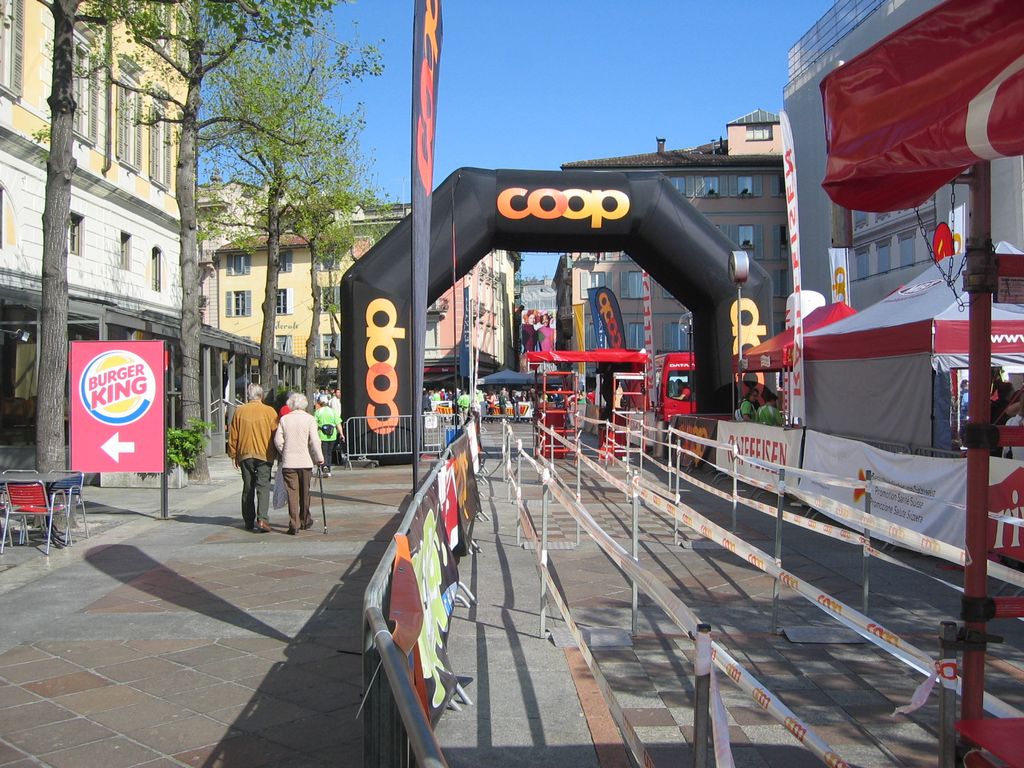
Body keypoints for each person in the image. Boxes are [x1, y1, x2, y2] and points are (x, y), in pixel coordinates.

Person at [227, 383, 278, 533]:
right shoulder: (270, 412)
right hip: (264, 454)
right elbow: (276, 434)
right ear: (261, 396)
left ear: (248, 396)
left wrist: (233, 454)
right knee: (263, 486)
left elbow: (233, 435)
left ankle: (248, 520)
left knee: (248, 487)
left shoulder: (239, 411)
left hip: (245, 453)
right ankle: (262, 519)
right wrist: (277, 453)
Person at [273, 393, 324, 535]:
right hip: (305, 461)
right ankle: (304, 520)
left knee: (292, 493)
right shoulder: (310, 419)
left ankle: (294, 524)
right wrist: (319, 457)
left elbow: (278, 440)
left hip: (289, 462)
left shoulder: (284, 419)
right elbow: (315, 441)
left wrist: (284, 450)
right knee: (305, 492)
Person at [314, 395, 342, 477]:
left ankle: (324, 467)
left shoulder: (318, 412)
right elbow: (338, 423)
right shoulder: (333, 411)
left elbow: (315, 424)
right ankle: (329, 469)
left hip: (322, 435)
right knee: (329, 452)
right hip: (332, 435)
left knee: (323, 452)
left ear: (320, 402)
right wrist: (341, 433)